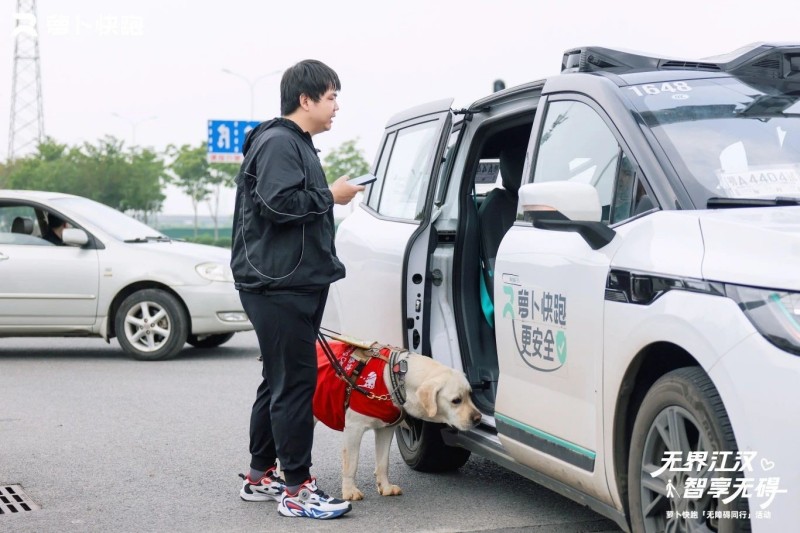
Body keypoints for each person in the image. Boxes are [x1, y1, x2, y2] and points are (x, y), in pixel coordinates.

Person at [230, 59, 364, 520]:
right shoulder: (278, 143)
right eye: (330, 97)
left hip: (289, 280)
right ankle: (296, 488)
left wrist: (329, 192)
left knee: (280, 380)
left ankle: (260, 476)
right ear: (305, 100)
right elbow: (277, 202)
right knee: (294, 384)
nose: (336, 106)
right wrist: (332, 194)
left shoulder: (295, 144)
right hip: (278, 283)